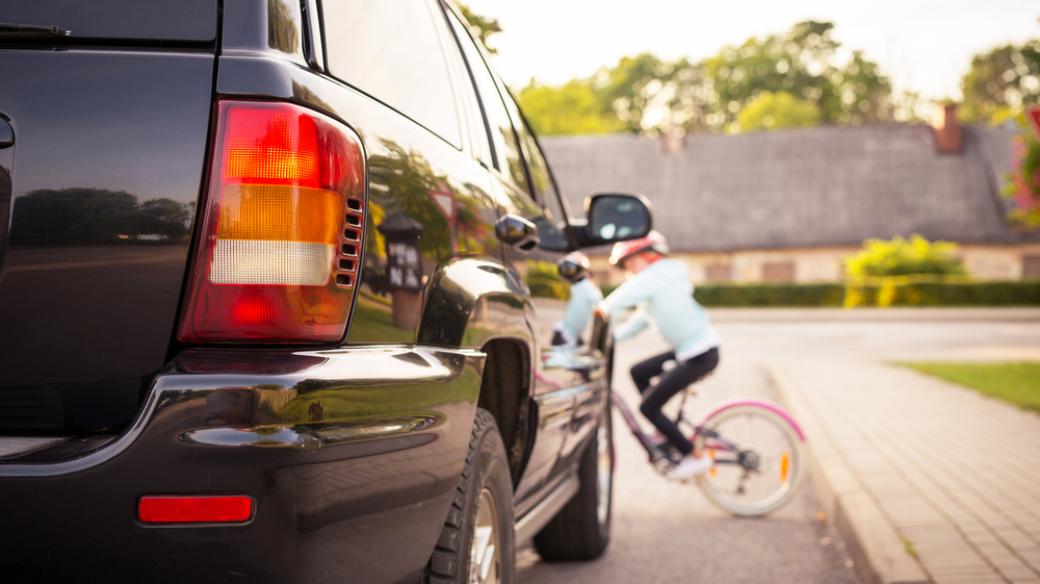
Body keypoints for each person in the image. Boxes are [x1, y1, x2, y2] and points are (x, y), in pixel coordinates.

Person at [599, 231, 720, 480]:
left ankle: (692, 455)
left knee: (648, 407)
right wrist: (613, 338)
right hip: (690, 349)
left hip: (699, 354)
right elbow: (641, 320)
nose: (629, 270)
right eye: (626, 266)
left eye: (632, 262)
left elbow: (619, 299)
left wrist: (599, 311)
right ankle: (665, 430)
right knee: (638, 371)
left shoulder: (654, 276)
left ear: (650, 256)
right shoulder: (661, 280)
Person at [552, 252, 603, 347]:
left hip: (570, 336)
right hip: (569, 333)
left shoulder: (587, 289)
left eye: (571, 268)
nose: (567, 271)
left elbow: (600, 308)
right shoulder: (576, 287)